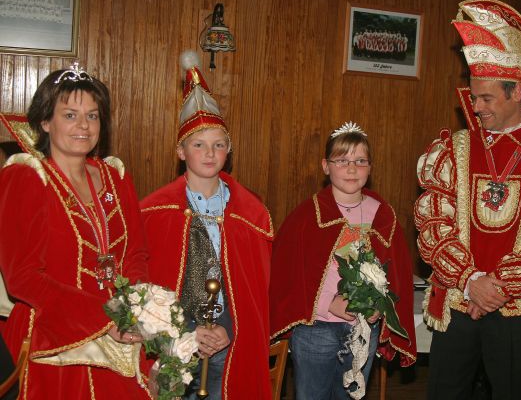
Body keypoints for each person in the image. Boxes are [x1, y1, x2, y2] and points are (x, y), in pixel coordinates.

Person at [415, 0, 521, 400]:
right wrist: (471, 282)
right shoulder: (455, 148)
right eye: (473, 95)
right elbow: (433, 222)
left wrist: (498, 287)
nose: (475, 106)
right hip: (456, 299)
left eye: (486, 98)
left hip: (516, 306)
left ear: (517, 90)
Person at [0, 64, 150, 398]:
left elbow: (136, 254)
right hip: (53, 342)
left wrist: (135, 304)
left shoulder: (116, 177)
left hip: (120, 334)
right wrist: (103, 318)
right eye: (70, 115)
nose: (83, 126)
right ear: (45, 122)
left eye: (93, 116)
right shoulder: (27, 178)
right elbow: (23, 278)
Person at [140, 51, 273, 400]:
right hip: (172, 334)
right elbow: (148, 286)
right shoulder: (154, 211)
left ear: (229, 150)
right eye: (199, 145)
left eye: (218, 145)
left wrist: (229, 330)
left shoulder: (251, 214)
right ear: (181, 151)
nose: (209, 153)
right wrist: (186, 331)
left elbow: (254, 294)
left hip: (229, 333)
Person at [270, 122, 416, 400]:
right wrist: (328, 303)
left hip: (363, 329)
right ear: (326, 166)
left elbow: (395, 273)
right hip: (316, 328)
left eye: (360, 161)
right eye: (342, 160)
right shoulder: (306, 217)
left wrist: (379, 307)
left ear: (370, 167)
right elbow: (287, 276)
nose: (352, 169)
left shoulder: (383, 215)